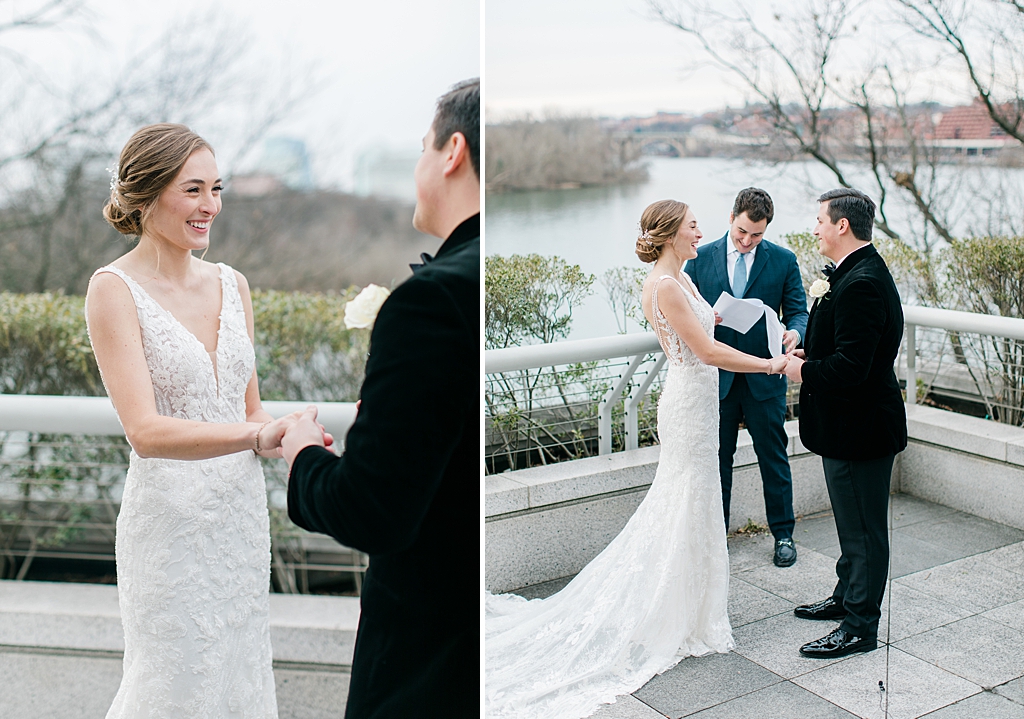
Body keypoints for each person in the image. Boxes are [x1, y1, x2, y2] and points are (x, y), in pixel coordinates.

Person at [484, 199, 790, 719]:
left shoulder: (680, 279)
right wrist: (771, 365)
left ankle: (690, 606)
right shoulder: (666, 286)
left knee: (691, 500)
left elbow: (705, 324)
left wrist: (730, 315)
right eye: (693, 226)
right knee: (686, 497)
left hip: (694, 398)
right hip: (691, 400)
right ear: (672, 233)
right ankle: (674, 611)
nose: (700, 232)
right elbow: (708, 352)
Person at [86, 123, 319, 717]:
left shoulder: (232, 283)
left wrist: (292, 437)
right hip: (170, 529)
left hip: (239, 524)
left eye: (216, 189)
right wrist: (253, 434)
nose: (210, 206)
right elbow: (145, 430)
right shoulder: (112, 290)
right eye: (193, 190)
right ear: (147, 191)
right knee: (174, 686)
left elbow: (249, 411)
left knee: (238, 677)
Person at [279, 79, 480, 719]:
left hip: (431, 662)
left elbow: (371, 510)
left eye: (424, 147)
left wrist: (303, 454)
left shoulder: (433, 299)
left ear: (453, 151)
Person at [783, 188, 907, 659]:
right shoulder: (854, 272)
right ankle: (845, 597)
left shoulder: (862, 283)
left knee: (864, 532)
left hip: (862, 430)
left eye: (819, 220)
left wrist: (802, 370)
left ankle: (860, 627)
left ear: (841, 226)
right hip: (849, 426)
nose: (814, 228)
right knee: (852, 525)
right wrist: (809, 353)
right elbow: (846, 347)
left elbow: (853, 368)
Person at [684, 188, 808, 567]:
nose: (746, 241)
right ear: (732, 217)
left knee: (774, 457)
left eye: (756, 235)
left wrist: (795, 333)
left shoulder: (783, 260)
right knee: (717, 460)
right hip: (715, 378)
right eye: (741, 232)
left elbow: (799, 311)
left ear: (766, 228)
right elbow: (685, 310)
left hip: (764, 377)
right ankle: (716, 537)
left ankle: (783, 535)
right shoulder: (699, 259)